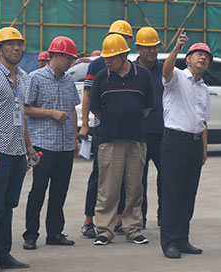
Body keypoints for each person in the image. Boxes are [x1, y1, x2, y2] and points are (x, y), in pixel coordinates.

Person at [0, 27, 37, 271]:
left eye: (19, 44)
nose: (16, 48)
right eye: (10, 44)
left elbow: (20, 115)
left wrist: (29, 147)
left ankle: (4, 254)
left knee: (8, 205)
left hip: (17, 153)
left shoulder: (21, 76)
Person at [90, 34, 152, 246]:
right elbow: (95, 108)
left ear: (124, 55)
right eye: (106, 57)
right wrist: (113, 121)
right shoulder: (101, 77)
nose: (107, 61)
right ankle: (104, 230)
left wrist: (131, 120)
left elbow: (147, 106)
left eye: (112, 57)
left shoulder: (143, 75)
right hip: (109, 139)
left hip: (136, 139)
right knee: (108, 187)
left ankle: (132, 229)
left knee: (135, 187)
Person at [22, 37, 80, 250]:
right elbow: (25, 108)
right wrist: (51, 113)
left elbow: (72, 109)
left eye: (72, 59)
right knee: (38, 190)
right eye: (68, 58)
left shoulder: (69, 80)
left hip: (65, 145)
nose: (71, 63)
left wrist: (74, 138)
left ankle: (54, 233)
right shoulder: (35, 78)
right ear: (56, 55)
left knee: (59, 191)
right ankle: (30, 234)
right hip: (43, 144)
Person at [78, 20, 133, 238]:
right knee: (100, 175)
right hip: (104, 130)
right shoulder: (98, 64)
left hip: (126, 131)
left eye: (125, 39)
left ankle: (118, 219)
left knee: (124, 176)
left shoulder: (131, 66)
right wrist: (85, 123)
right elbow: (88, 95)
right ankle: (89, 221)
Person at [159, 31, 211, 259]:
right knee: (172, 192)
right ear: (188, 58)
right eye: (198, 54)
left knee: (188, 194)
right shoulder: (177, 77)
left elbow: (203, 121)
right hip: (175, 141)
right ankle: (169, 242)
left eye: (206, 57)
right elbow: (165, 70)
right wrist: (176, 48)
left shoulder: (204, 88)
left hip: (194, 144)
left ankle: (182, 238)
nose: (203, 58)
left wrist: (204, 148)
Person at [134, 27, 165, 228]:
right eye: (148, 47)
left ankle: (165, 217)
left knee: (166, 178)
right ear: (138, 48)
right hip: (139, 133)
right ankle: (140, 219)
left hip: (163, 132)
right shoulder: (131, 70)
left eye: (155, 47)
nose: (152, 51)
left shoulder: (165, 70)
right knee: (138, 180)